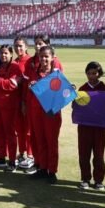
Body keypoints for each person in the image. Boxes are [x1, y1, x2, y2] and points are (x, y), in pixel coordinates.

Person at [24, 45, 63, 183]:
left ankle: (51, 171)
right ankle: (42, 168)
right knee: (38, 140)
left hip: (51, 112)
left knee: (51, 141)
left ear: (53, 57)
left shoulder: (57, 73)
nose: (44, 59)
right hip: (36, 110)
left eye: (46, 56)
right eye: (41, 56)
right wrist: (31, 86)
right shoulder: (35, 72)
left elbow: (62, 94)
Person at [76, 61, 105, 190]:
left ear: (99, 74)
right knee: (84, 153)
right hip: (84, 127)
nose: (92, 76)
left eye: (95, 73)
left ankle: (98, 180)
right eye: (89, 73)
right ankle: (85, 178)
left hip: (99, 127)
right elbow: (77, 108)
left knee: (99, 154)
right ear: (86, 74)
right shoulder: (82, 89)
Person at [0, 45, 21, 171]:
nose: (3, 55)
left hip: (8, 105)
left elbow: (10, 86)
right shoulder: (0, 66)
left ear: (11, 54)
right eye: (2, 53)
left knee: (10, 133)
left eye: (6, 53)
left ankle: (12, 161)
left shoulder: (15, 67)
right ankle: (2, 158)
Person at [12, 37, 34, 170]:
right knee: (19, 129)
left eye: (20, 46)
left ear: (26, 47)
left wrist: (25, 102)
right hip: (16, 101)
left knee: (28, 130)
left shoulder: (30, 62)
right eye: (16, 46)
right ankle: (22, 153)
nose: (18, 49)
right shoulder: (14, 62)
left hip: (27, 100)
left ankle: (31, 155)